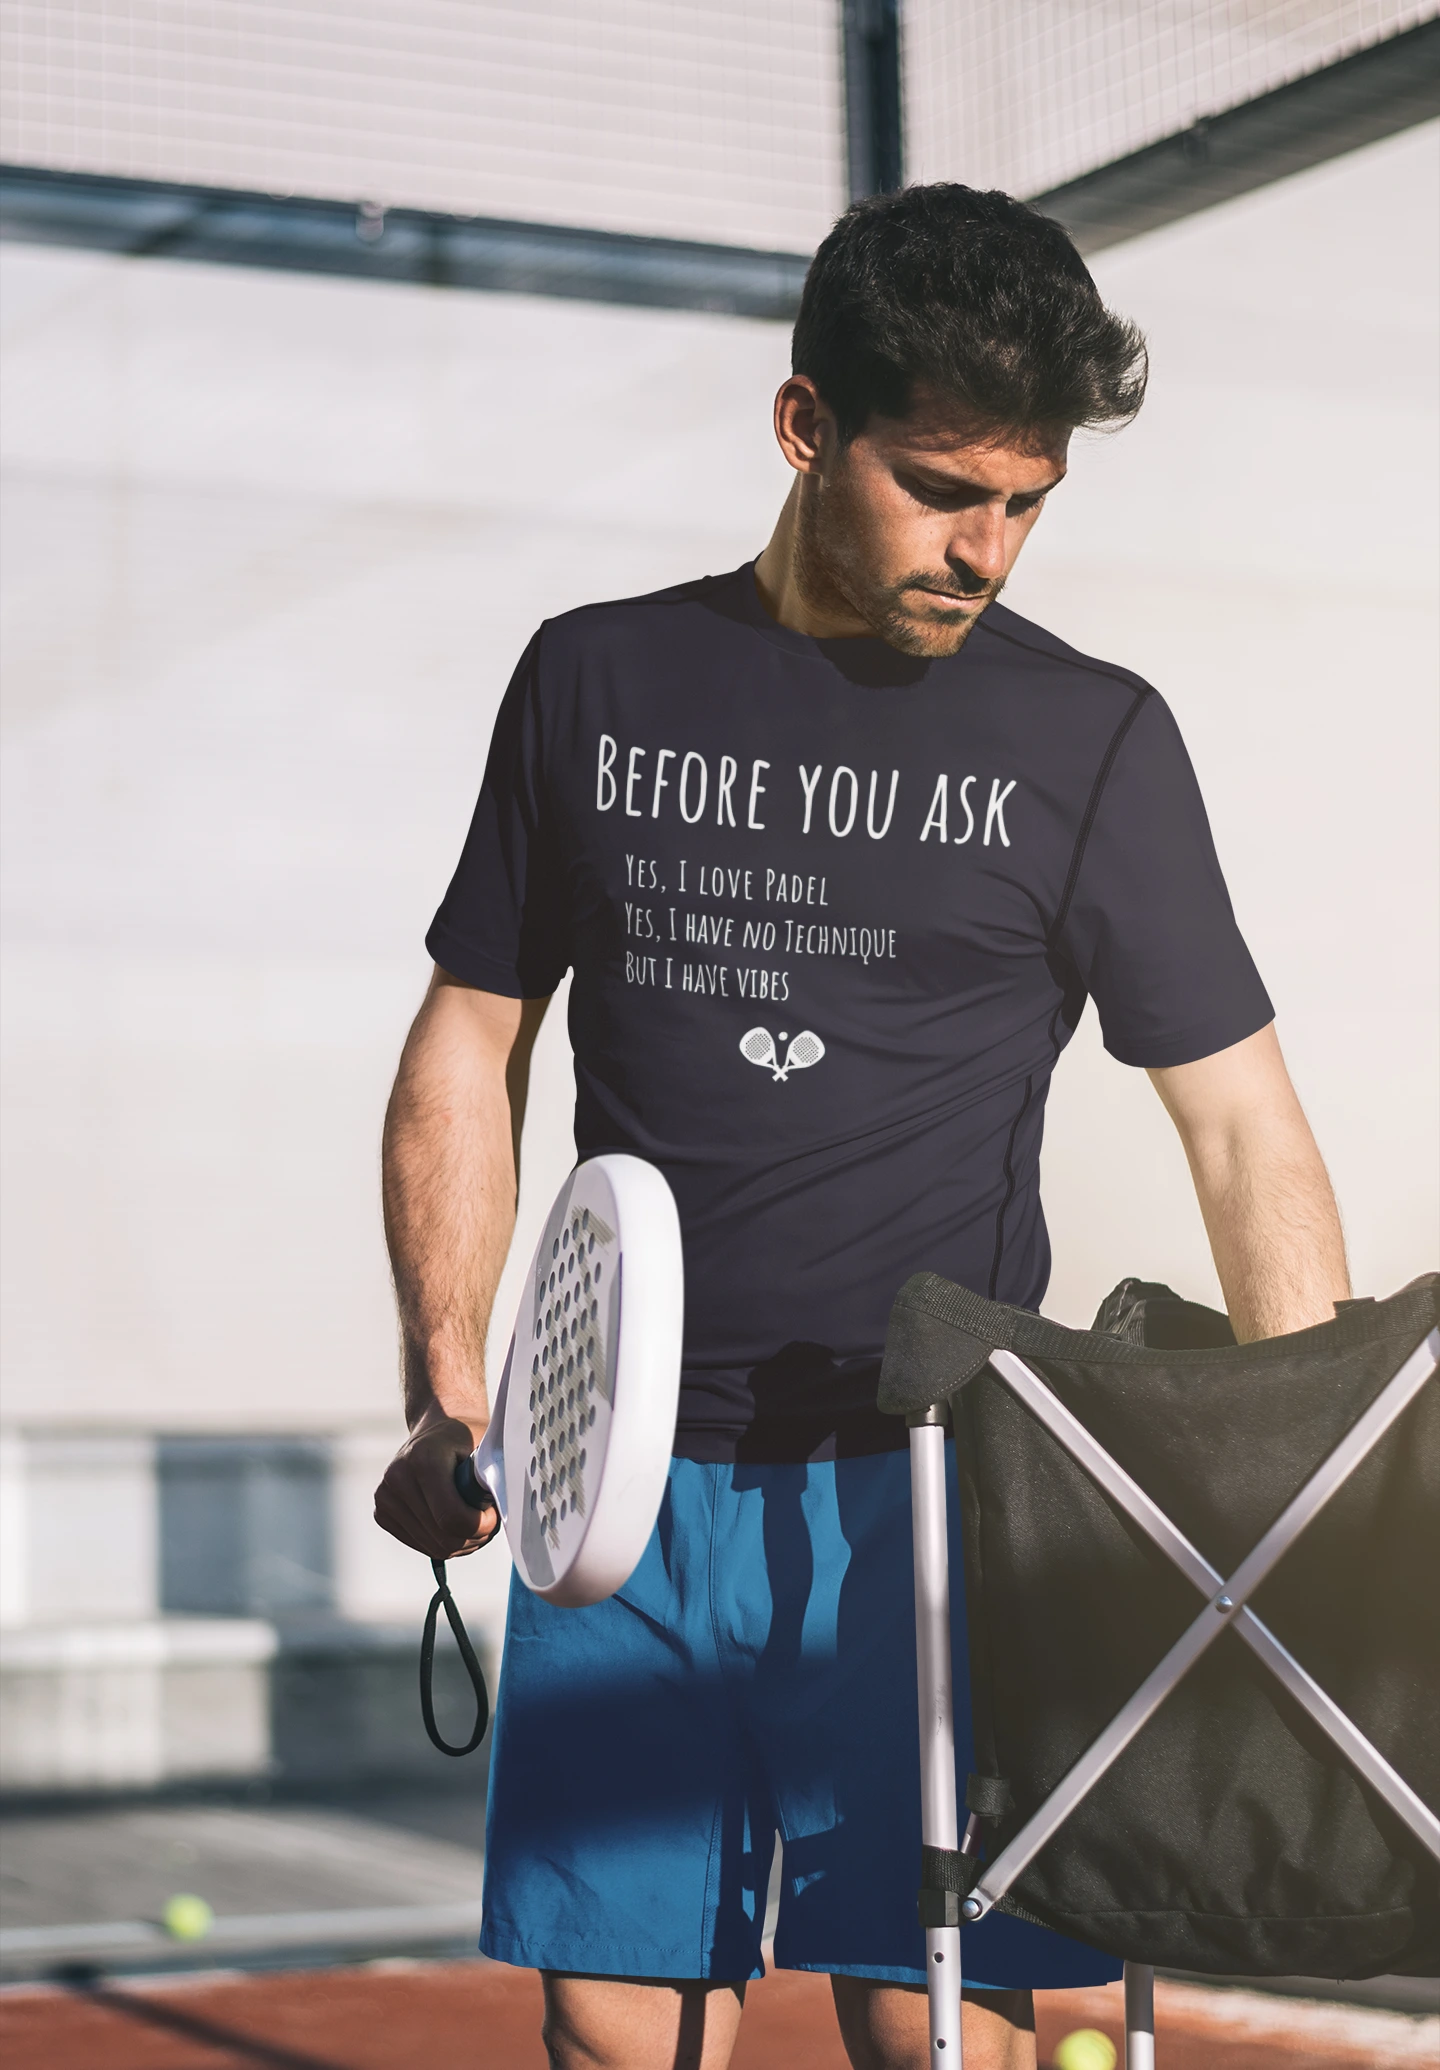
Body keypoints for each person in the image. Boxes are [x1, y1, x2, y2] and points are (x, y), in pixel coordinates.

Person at [374, 185, 1350, 2070]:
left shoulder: (1094, 740)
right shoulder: (590, 676)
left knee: (939, 2034)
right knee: (620, 2027)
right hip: (617, 1483)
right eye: (942, 485)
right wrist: (454, 1389)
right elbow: (466, 1040)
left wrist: (1284, 1488)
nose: (987, 547)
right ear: (806, 422)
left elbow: (1244, 1129)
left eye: (1029, 499)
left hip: (940, 1491)